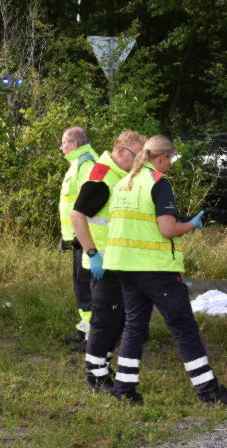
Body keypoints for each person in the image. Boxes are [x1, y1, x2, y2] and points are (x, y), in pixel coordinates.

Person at [102, 135, 227, 405]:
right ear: (162, 157)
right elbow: (167, 229)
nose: (169, 165)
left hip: (126, 267)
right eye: (170, 159)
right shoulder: (158, 182)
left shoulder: (123, 183)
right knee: (184, 328)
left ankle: (125, 389)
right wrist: (191, 225)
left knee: (134, 327)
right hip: (157, 269)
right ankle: (209, 392)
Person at [70, 130, 145, 392]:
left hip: (119, 261)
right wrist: (92, 254)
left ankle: (103, 367)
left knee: (117, 321)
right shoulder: (101, 177)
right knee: (104, 323)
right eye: (138, 157)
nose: (141, 163)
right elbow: (77, 216)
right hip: (104, 263)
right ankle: (96, 377)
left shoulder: (120, 174)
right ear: (123, 152)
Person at [58, 127, 98, 352]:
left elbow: (89, 202)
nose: (61, 148)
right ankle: (85, 331)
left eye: (63, 144)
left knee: (87, 286)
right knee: (81, 286)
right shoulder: (77, 163)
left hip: (85, 237)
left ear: (73, 145)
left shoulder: (86, 164)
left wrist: (80, 235)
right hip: (76, 237)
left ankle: (92, 337)